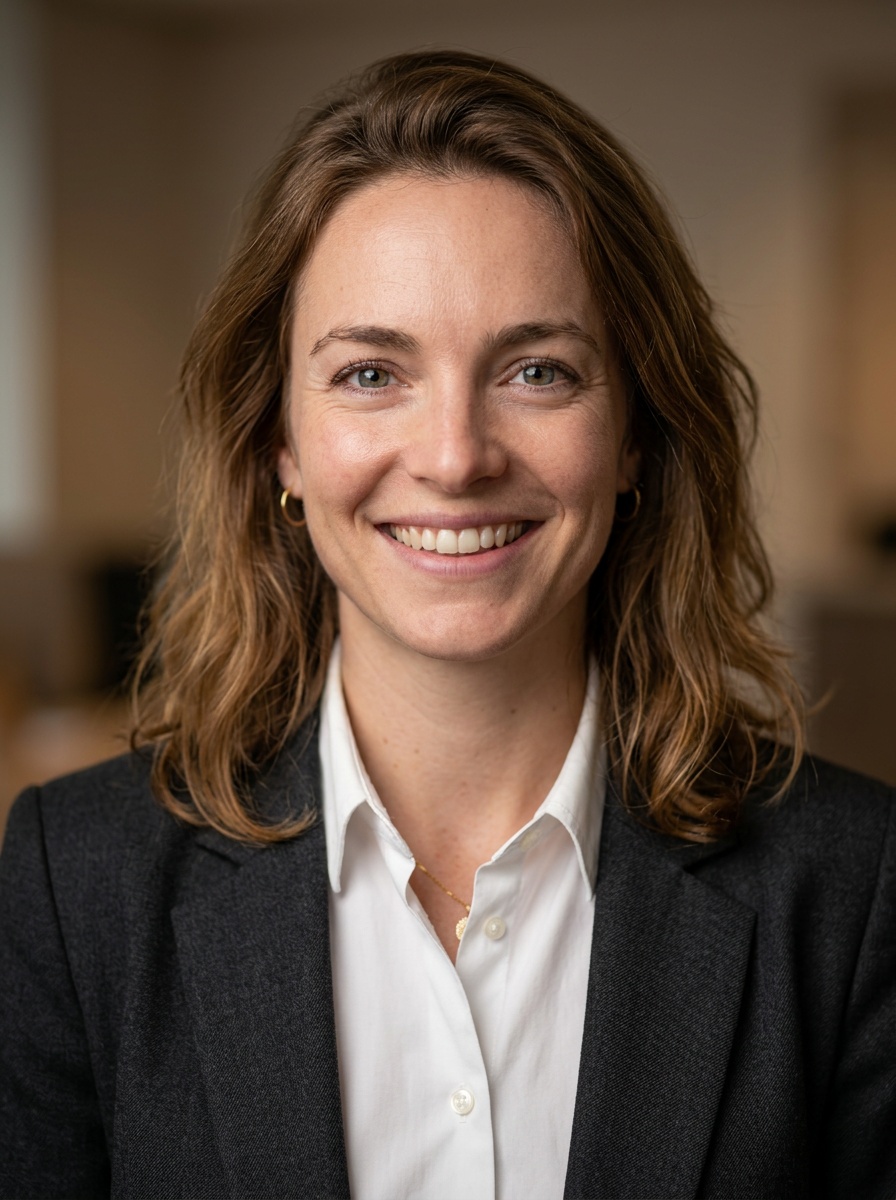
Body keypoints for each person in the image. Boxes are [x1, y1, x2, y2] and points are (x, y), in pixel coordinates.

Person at [1, 49, 893, 1200]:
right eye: (372, 374)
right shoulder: (78, 884)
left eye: (535, 369)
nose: (455, 456)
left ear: (633, 436)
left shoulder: (851, 885)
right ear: (278, 440)